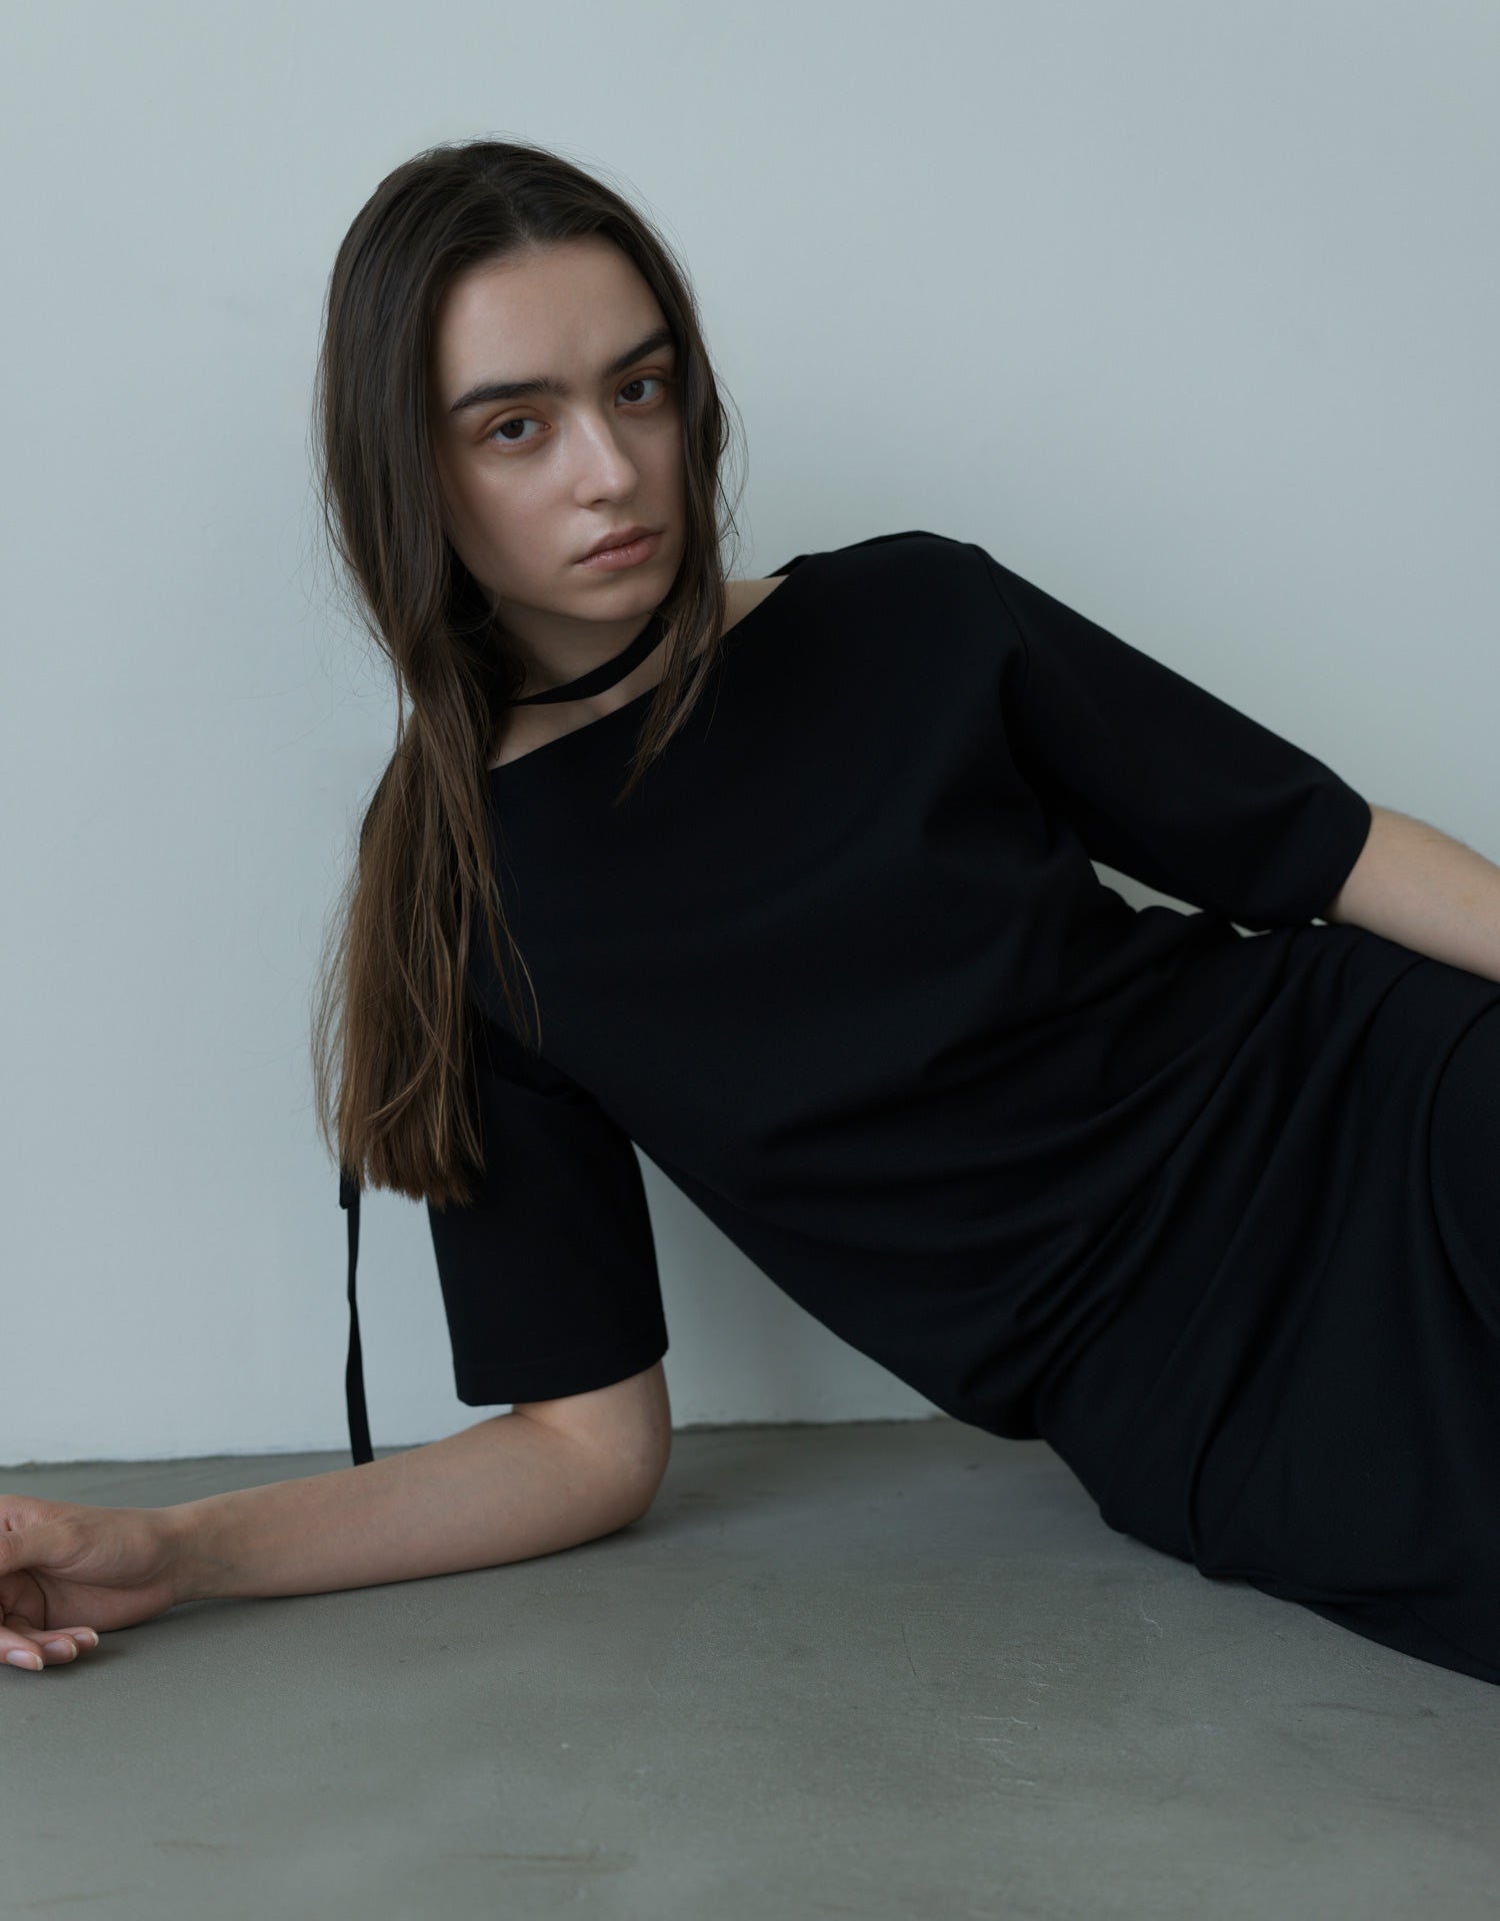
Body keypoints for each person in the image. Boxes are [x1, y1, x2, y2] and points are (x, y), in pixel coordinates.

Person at [4, 137, 1498, 1686]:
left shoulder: (919, 614)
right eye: (517, 426)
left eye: (638, 388)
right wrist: (179, 1548)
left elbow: (1326, 849)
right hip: (1197, 1385)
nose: (609, 469)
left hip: (1383, 1099)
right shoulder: (459, 895)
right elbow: (586, 1447)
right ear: (408, 472)